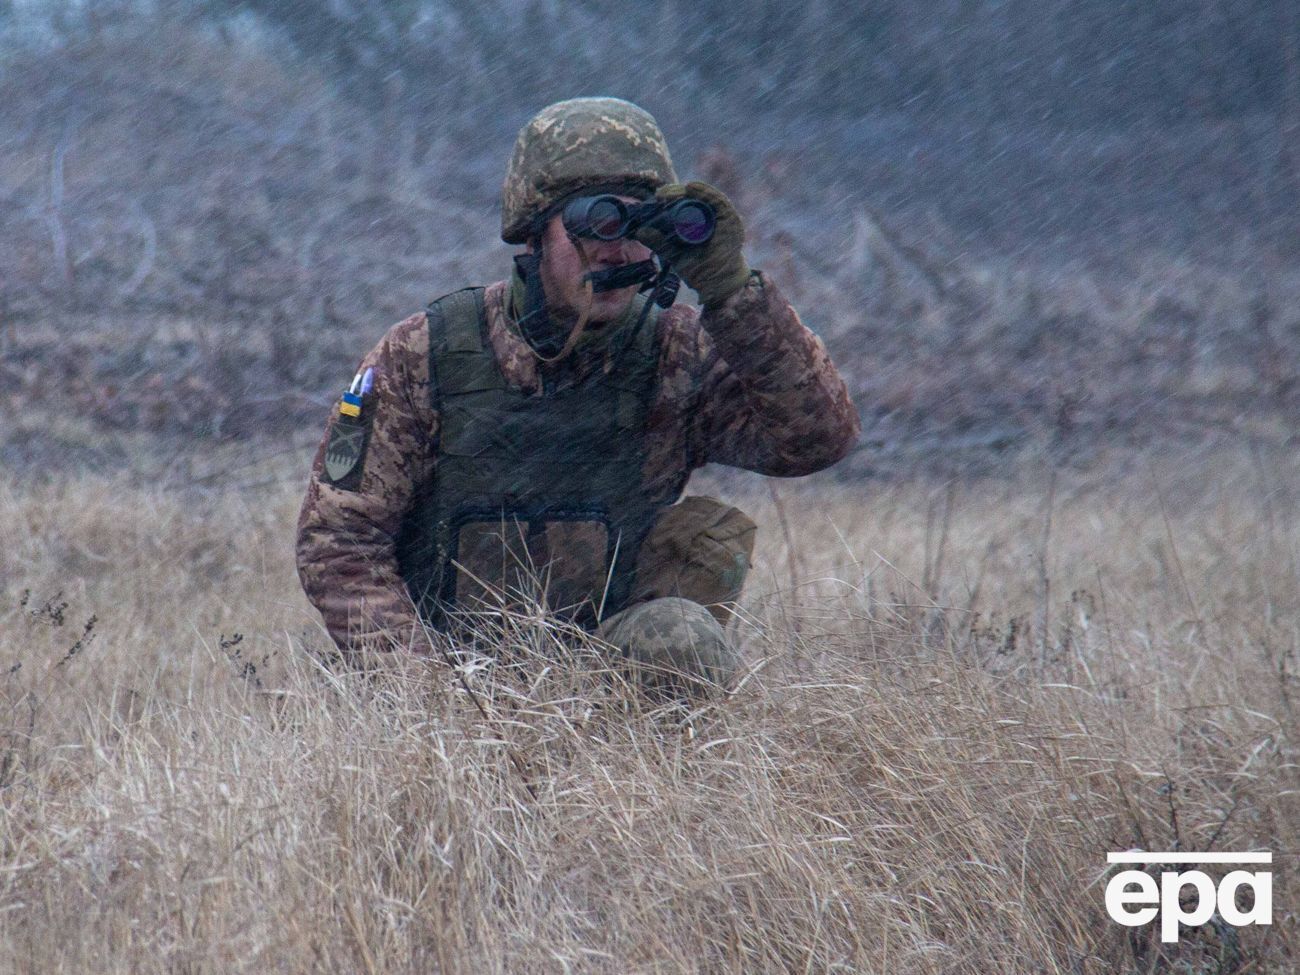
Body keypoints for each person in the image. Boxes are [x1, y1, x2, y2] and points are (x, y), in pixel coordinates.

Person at [296, 96, 859, 697]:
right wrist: (429, 696)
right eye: (596, 222)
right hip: (447, 672)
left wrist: (731, 292)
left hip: (607, 676)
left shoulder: (676, 353)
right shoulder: (423, 353)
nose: (619, 250)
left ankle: (647, 763)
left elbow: (816, 440)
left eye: (642, 227)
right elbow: (339, 541)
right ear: (535, 233)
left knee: (681, 639)